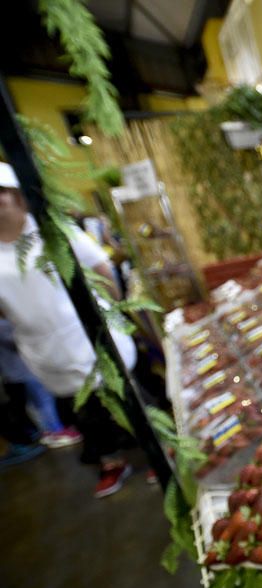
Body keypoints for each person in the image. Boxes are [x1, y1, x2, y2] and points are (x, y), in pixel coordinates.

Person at [0, 162, 137, 496]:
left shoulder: (51, 230)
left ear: (18, 196)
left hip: (90, 336)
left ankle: (162, 451)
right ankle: (111, 463)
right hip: (46, 351)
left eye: (1, 192)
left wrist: (113, 313)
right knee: (86, 412)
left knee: (130, 397)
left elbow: (100, 268)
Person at [1, 318, 82, 450]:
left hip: (16, 372)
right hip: (22, 371)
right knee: (43, 401)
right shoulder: (2, 325)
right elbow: (18, 341)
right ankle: (55, 431)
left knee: (38, 403)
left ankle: (52, 430)